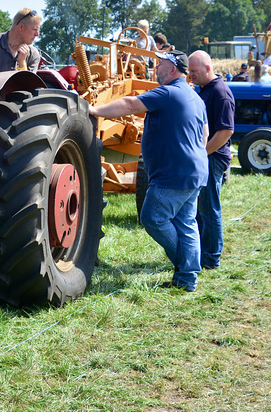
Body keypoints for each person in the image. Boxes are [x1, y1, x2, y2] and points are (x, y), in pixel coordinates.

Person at [89, 50, 208, 292]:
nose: (156, 68)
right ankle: (187, 279)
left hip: (173, 172)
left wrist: (94, 111)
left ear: (173, 69)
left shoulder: (168, 92)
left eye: (160, 64)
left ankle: (186, 267)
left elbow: (131, 104)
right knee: (186, 222)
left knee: (152, 218)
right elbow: (204, 135)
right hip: (195, 170)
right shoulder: (196, 98)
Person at [188, 51, 235, 270]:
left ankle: (211, 258)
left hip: (212, 157)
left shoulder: (220, 92)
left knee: (209, 208)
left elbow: (225, 131)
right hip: (207, 156)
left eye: (194, 71)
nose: (190, 75)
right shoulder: (206, 89)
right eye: (188, 71)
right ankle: (202, 253)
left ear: (208, 68)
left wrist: (202, 153)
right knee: (200, 209)